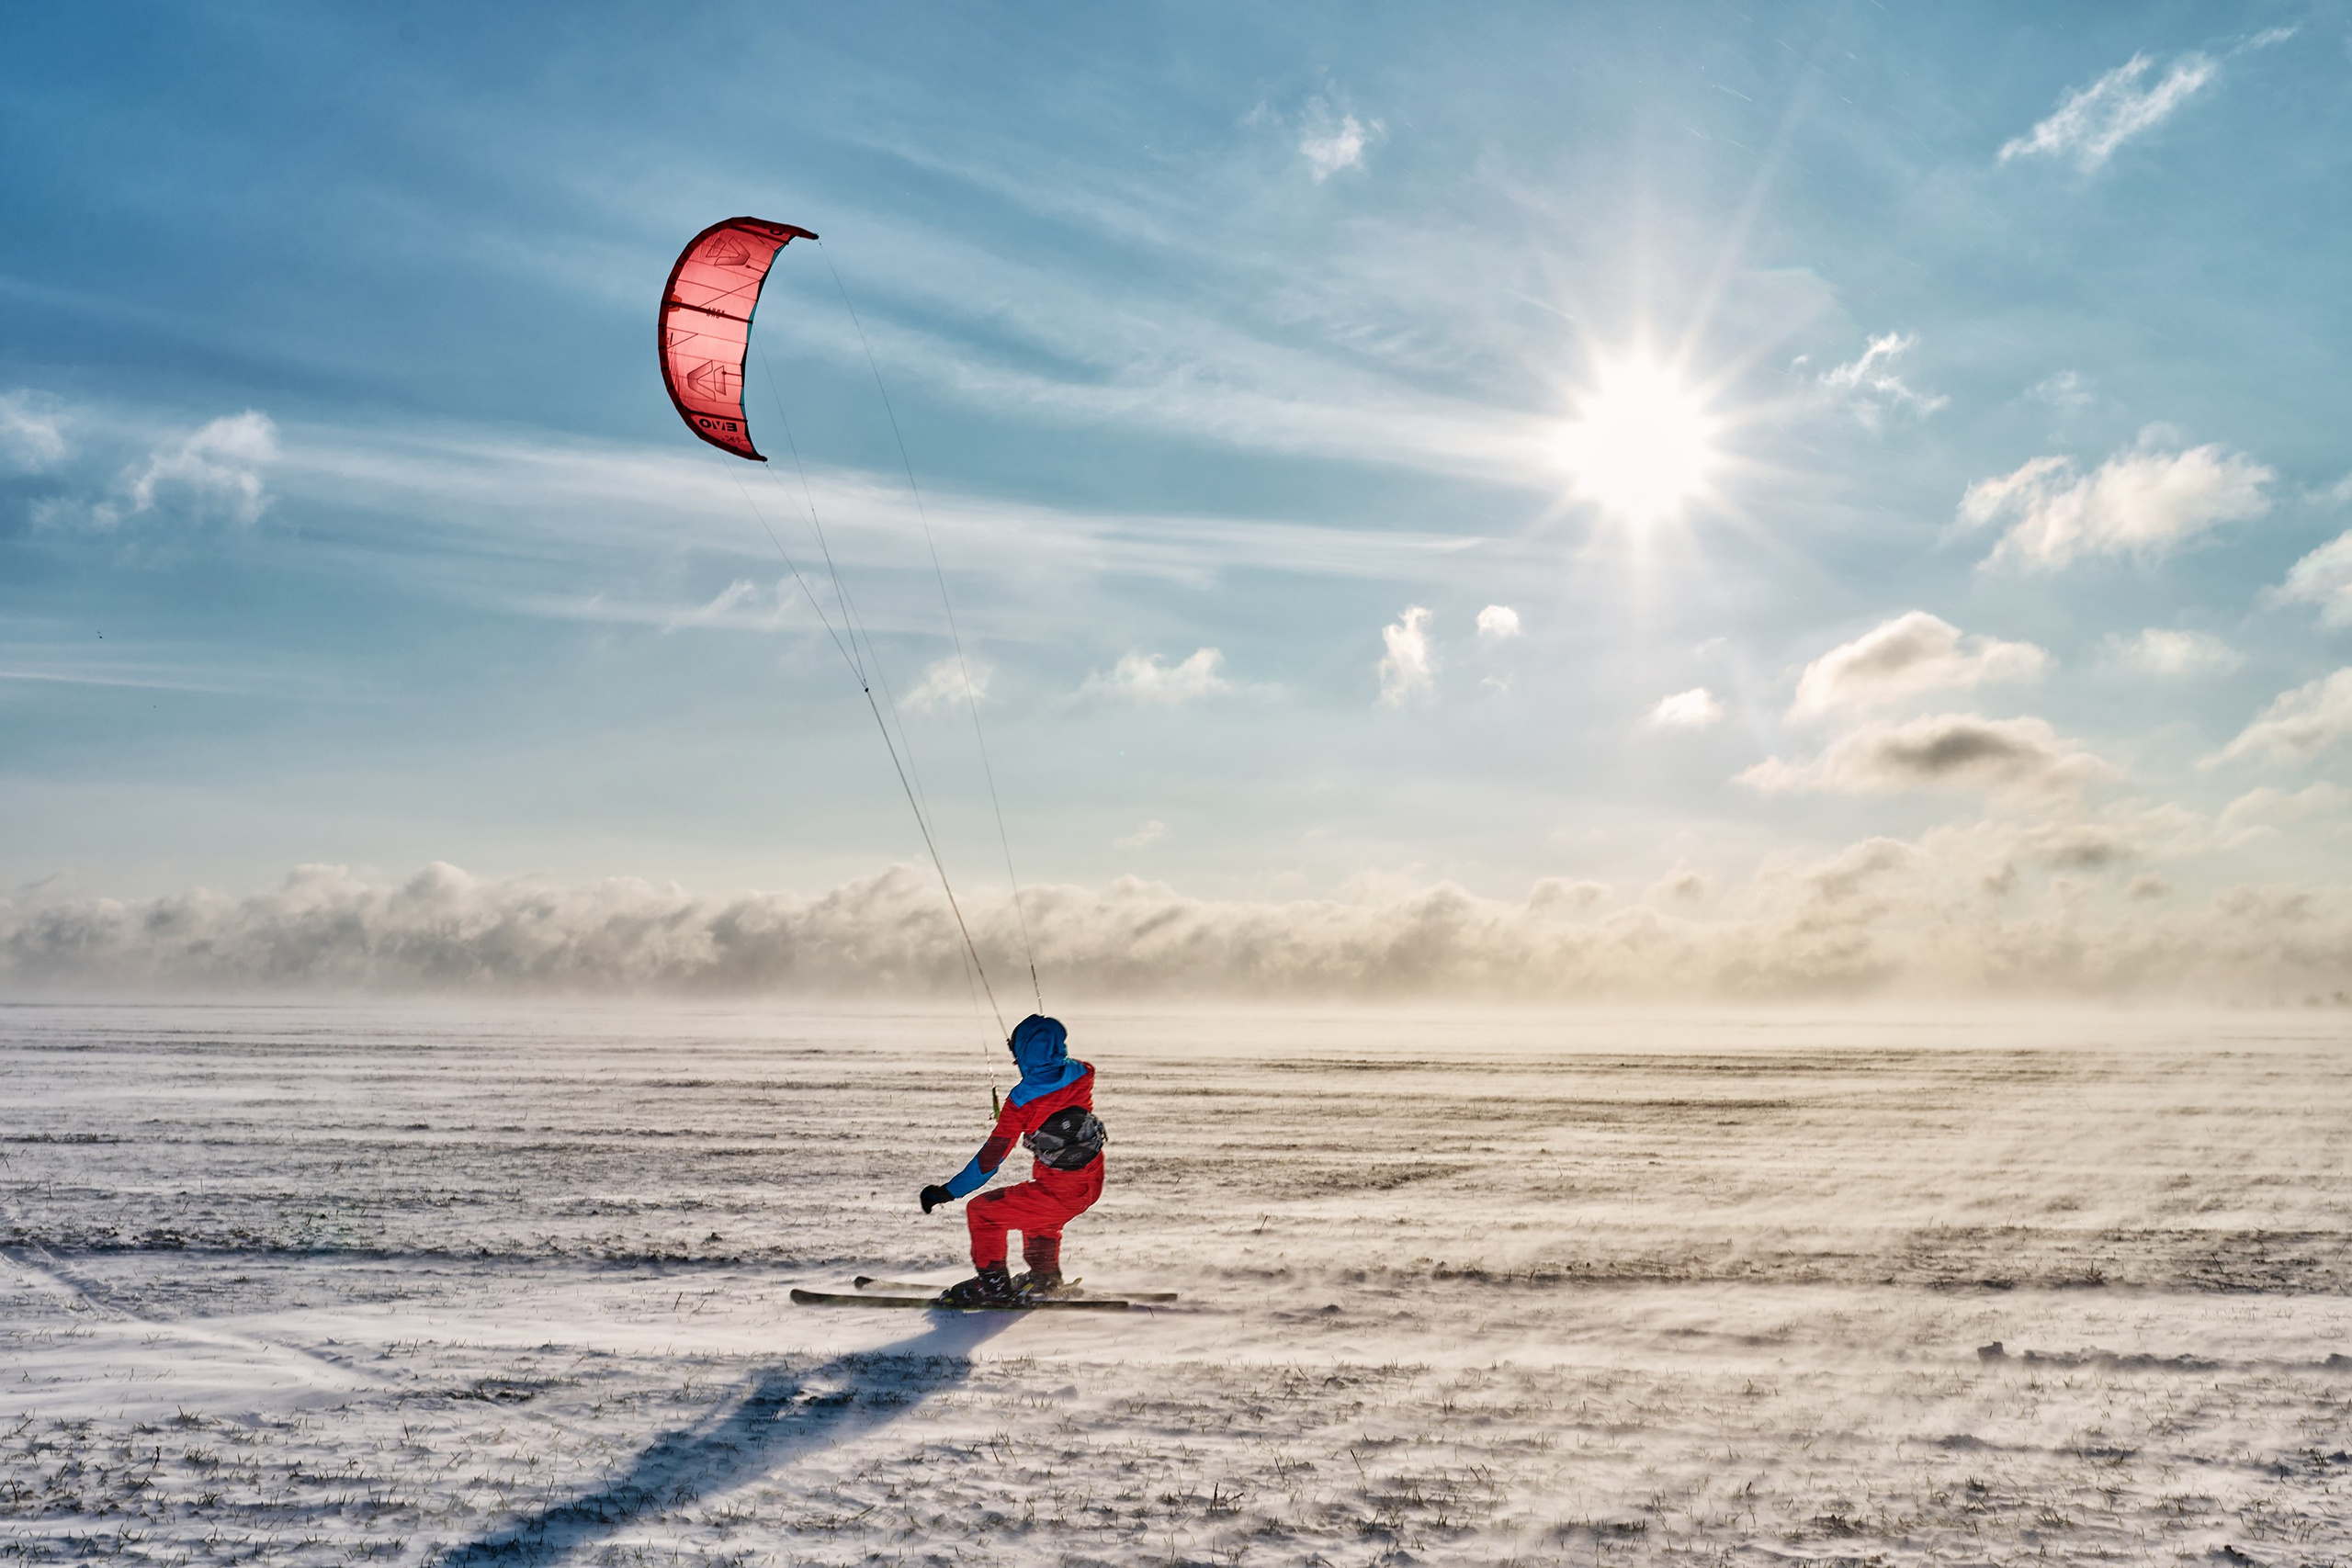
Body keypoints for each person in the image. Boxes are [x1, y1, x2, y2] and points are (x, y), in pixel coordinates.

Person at [919, 1013, 1106, 1306]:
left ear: (1023, 1053)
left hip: (1059, 1193)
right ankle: (1045, 1278)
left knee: (982, 1212)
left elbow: (990, 1159)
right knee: (1040, 1217)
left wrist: (947, 1192)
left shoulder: (1021, 1101)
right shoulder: (1084, 1073)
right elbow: (1057, 1069)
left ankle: (993, 1287)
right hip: (1090, 1186)